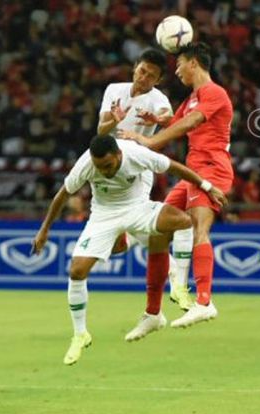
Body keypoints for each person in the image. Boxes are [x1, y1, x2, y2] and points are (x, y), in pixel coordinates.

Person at [31, 135, 227, 365]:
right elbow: (62, 195)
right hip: (103, 216)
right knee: (76, 272)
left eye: (108, 166)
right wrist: (44, 230)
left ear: (118, 155)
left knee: (183, 221)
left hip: (137, 208)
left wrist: (207, 186)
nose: (103, 171)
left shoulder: (136, 154)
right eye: (99, 167)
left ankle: (180, 287)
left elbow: (174, 168)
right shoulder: (86, 164)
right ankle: (80, 334)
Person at [118, 43, 234, 328]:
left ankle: (204, 302)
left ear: (193, 63)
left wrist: (150, 140)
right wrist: (156, 120)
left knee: (199, 230)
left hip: (211, 168)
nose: (177, 71)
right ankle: (153, 312)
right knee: (158, 228)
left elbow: (190, 123)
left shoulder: (214, 93)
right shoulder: (193, 97)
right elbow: (176, 119)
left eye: (180, 64)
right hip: (192, 170)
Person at [97, 49, 195, 311]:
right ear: (135, 67)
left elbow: (169, 118)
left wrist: (159, 120)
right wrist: (114, 121)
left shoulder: (157, 98)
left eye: (151, 76)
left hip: (138, 169)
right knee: (119, 241)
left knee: (134, 221)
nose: (144, 78)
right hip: (109, 171)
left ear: (158, 80)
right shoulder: (113, 90)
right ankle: (132, 241)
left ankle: (176, 277)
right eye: (142, 71)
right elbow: (100, 130)